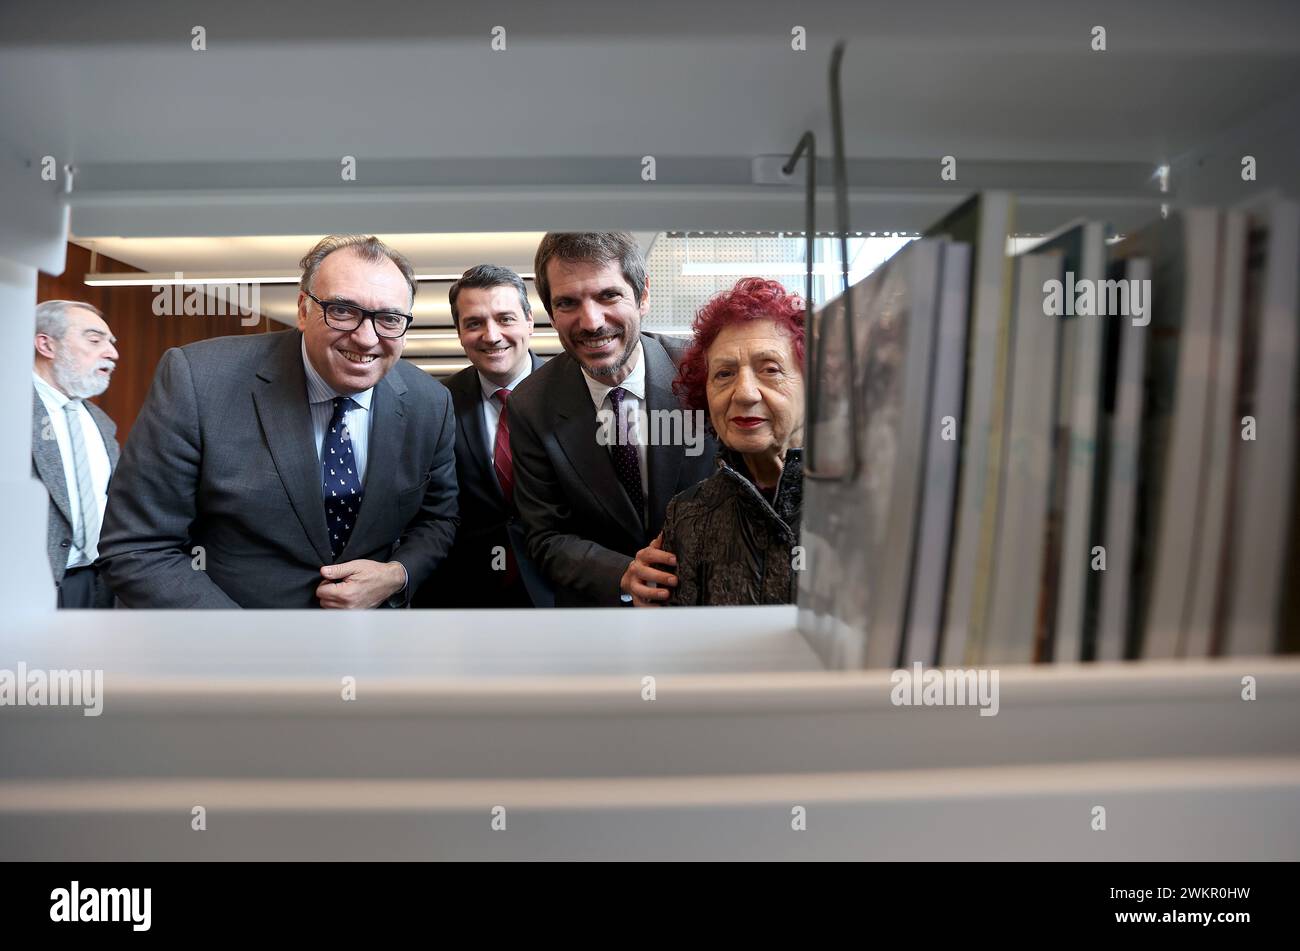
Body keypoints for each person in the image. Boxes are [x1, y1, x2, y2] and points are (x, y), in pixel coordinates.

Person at [98, 234, 459, 608]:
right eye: (342, 310)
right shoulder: (198, 381)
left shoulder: (429, 402)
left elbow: (438, 520)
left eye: (389, 319)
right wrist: (246, 645)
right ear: (304, 309)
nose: (366, 338)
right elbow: (137, 546)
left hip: (368, 649)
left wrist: (397, 574)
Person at [508, 232, 716, 606]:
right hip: (599, 613)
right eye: (568, 302)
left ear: (643, 295)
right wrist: (622, 573)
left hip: (710, 603)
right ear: (551, 313)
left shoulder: (704, 372)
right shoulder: (530, 405)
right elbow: (545, 536)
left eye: (608, 295)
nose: (591, 322)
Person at [654, 278, 806, 606]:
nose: (744, 393)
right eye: (724, 374)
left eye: (770, 369)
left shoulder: (866, 508)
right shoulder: (687, 515)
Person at [415, 264, 553, 608]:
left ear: (529, 322)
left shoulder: (577, 395)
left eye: (505, 318)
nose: (491, 335)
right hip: (464, 595)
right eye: (474, 323)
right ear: (459, 332)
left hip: (560, 590)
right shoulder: (436, 403)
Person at [31, 300, 121, 608]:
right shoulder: (11, 408)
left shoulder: (102, 423)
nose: (112, 353)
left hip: (97, 584)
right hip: (30, 586)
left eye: (111, 343)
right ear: (46, 344)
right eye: (95, 340)